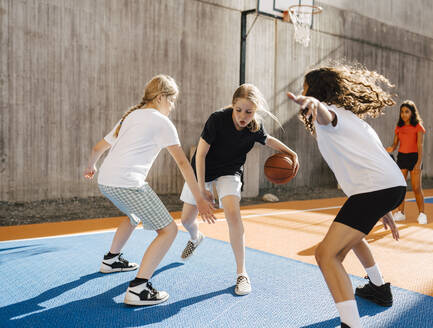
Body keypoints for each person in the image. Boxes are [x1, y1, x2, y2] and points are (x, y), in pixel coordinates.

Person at [287, 66, 406, 328]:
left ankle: (351, 325)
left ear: (316, 91)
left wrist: (313, 103)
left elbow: (325, 114)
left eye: (306, 88)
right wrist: (384, 208)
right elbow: (376, 159)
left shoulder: (331, 117)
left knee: (326, 255)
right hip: (387, 186)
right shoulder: (354, 120)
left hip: (375, 188)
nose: (302, 92)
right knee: (349, 239)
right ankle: (378, 288)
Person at [83, 74, 216, 306]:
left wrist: (91, 165)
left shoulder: (130, 116)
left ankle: (111, 260)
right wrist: (199, 198)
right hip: (128, 183)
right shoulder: (161, 122)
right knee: (169, 231)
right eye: (172, 100)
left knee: (133, 216)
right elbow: (184, 164)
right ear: (161, 97)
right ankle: (139, 288)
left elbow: (98, 147)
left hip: (106, 181)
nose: (172, 106)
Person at [178, 83, 299, 296]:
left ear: (256, 111)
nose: (243, 116)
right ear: (233, 106)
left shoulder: (255, 126)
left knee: (233, 215)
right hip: (202, 168)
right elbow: (200, 155)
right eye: (239, 110)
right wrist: (201, 191)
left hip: (230, 171)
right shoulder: (217, 119)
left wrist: (292, 153)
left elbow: (268, 140)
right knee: (187, 219)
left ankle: (242, 273)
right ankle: (196, 237)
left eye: (249, 112)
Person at [386, 100, 427, 224]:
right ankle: (400, 213)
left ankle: (422, 214)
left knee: (416, 188)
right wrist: (386, 149)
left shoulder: (418, 127)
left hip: (414, 158)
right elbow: (394, 145)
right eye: (402, 112)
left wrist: (418, 163)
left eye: (407, 112)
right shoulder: (399, 127)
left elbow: (420, 146)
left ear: (412, 113)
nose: (404, 114)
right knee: (401, 188)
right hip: (402, 158)